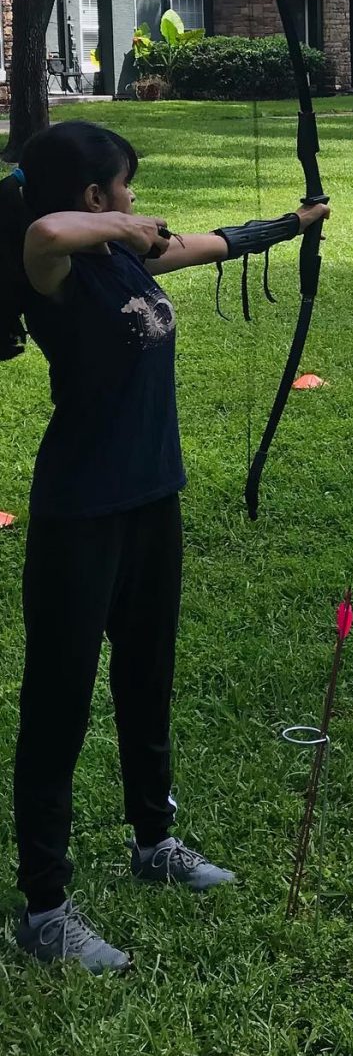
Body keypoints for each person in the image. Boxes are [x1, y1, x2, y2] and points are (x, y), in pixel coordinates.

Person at [0, 120, 329, 973]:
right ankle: (44, 908)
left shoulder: (122, 256)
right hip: (80, 512)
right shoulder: (56, 272)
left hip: (153, 501)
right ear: (96, 197)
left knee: (147, 679)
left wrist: (292, 226)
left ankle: (154, 841)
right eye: (126, 187)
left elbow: (215, 243)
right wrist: (119, 228)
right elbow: (44, 231)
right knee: (59, 705)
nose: (137, 200)